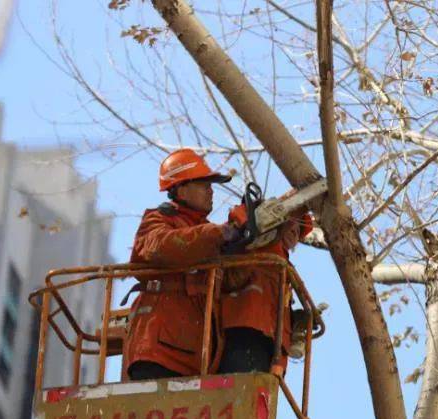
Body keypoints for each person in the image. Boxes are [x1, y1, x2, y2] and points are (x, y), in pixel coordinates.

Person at [122, 148, 242, 380]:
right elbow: (161, 247)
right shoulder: (158, 220)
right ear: (181, 188)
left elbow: (232, 281)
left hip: (198, 357)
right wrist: (219, 234)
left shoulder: (211, 236)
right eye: (203, 184)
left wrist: (247, 241)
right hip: (158, 352)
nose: (211, 191)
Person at [218, 206, 313, 375]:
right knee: (241, 381)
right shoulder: (260, 240)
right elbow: (239, 219)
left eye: (299, 231)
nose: (295, 233)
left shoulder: (285, 268)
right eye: (293, 225)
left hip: (272, 345)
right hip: (247, 329)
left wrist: (294, 321)